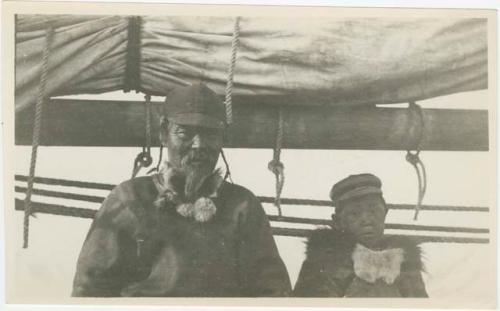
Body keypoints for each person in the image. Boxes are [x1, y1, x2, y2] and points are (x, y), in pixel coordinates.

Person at [72, 82, 291, 297]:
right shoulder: (129, 198)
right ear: (163, 134)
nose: (199, 145)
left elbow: (272, 292)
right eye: (185, 133)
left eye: (210, 134)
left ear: (222, 139)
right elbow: (90, 291)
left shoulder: (242, 205)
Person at [293, 173, 428, 297]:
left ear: (385, 213)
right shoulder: (323, 262)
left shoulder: (405, 261)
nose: (367, 220)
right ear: (337, 221)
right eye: (354, 214)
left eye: (374, 211)